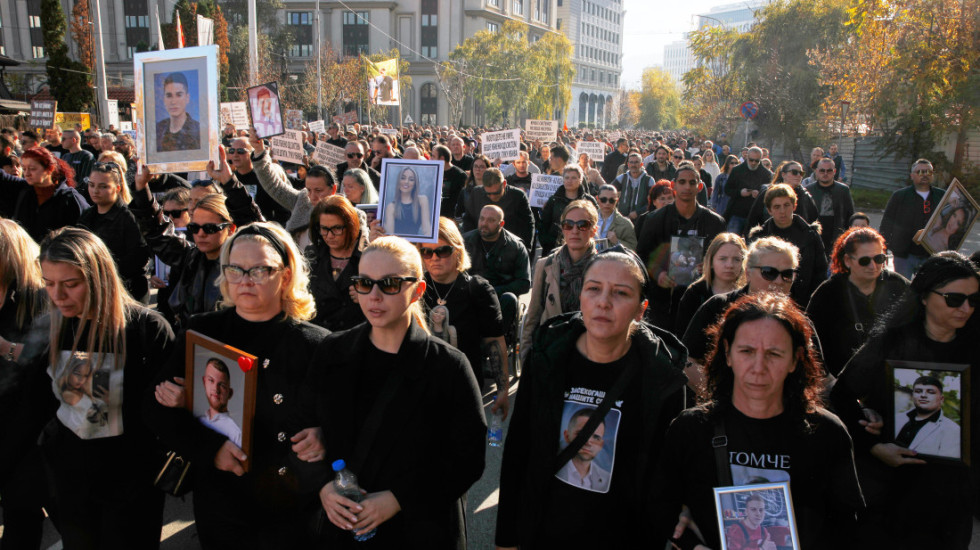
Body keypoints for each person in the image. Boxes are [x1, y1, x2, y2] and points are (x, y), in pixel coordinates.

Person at [146, 222, 329, 549]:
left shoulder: (315, 345)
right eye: (235, 269)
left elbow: (341, 416)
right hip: (224, 501)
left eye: (259, 270)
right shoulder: (201, 332)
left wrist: (323, 435)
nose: (245, 280)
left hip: (292, 504)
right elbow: (157, 410)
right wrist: (209, 449)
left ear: (285, 276)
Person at [496, 250, 689, 549]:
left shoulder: (662, 378)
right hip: (544, 531)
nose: (604, 302)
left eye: (621, 293)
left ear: (641, 309)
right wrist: (506, 537)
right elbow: (519, 450)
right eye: (594, 288)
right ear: (581, 297)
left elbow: (664, 478)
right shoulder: (548, 357)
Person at [306, 236, 486, 548]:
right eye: (364, 283)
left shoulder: (449, 367)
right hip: (344, 528)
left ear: (417, 290)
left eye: (389, 284)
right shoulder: (332, 351)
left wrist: (397, 499)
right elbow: (305, 431)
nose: (374, 295)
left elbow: (468, 457)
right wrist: (323, 486)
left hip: (419, 530)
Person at [655, 293, 863, 550]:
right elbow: (662, 509)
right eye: (747, 351)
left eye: (774, 354)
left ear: (795, 359)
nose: (758, 366)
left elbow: (847, 530)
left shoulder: (827, 434)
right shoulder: (691, 429)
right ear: (728, 354)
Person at [23, 228, 175, 548]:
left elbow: (166, 415)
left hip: (131, 491)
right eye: (48, 283)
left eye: (71, 284)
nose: (58, 296)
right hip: (72, 487)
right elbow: (37, 398)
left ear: (98, 278)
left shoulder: (146, 329)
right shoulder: (52, 322)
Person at [831, 252, 979, 549]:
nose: (965, 308)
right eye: (954, 299)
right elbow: (842, 395)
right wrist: (871, 443)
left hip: (955, 496)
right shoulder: (890, 341)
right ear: (924, 297)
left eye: (974, 300)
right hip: (892, 490)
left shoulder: (975, 346)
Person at [420, 218, 509, 410]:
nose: (434, 258)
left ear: (457, 251)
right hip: (423, 387)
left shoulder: (478, 289)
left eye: (442, 251)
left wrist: (502, 390)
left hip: (464, 387)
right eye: (427, 252)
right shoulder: (417, 288)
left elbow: (494, 341)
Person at [0, 220, 50, 549]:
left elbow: (48, 362)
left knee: (22, 520)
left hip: (25, 430)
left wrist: (6, 349)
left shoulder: (40, 298)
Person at [682, 237, 802, 367]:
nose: (779, 281)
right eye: (769, 272)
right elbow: (687, 360)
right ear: (748, 273)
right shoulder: (717, 307)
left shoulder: (797, 321)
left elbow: (822, 380)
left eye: (787, 274)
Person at [806, 227, 909, 376]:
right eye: (865, 261)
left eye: (879, 259)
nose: (873, 266)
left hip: (889, 379)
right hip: (841, 381)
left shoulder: (898, 285)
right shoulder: (828, 293)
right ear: (848, 260)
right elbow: (810, 341)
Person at [636, 163, 727, 333]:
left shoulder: (714, 223)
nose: (687, 187)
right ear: (673, 185)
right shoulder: (655, 219)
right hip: (662, 301)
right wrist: (658, 273)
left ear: (700, 187)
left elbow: (723, 257)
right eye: (682, 182)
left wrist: (708, 268)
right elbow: (641, 256)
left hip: (701, 301)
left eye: (692, 183)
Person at [521, 200, 599, 362]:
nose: (575, 231)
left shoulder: (604, 269)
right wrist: (527, 360)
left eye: (582, 225)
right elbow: (533, 317)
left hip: (589, 356)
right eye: (568, 225)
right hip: (551, 354)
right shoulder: (546, 265)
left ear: (593, 230)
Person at [77, 161, 152, 303]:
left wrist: (104, 270)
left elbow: (138, 257)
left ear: (117, 188)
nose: (95, 191)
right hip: (95, 289)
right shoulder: (86, 216)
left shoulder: (129, 217)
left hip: (127, 292)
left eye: (103, 186)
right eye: (91, 185)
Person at [747, 184, 827, 307]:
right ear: (769, 210)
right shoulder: (760, 237)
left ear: (794, 206)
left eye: (786, 205)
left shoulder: (810, 235)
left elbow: (820, 271)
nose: (782, 211)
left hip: (803, 301)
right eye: (777, 207)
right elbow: (749, 274)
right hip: (766, 301)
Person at [464, 204, 532, 333]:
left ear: (501, 224)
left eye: (490, 220)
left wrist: (493, 291)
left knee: (509, 299)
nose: (484, 223)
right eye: (482, 219)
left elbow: (524, 283)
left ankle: (499, 339)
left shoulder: (516, 246)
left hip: (500, 295)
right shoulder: (465, 241)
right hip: (471, 292)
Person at [0, 146, 89, 242]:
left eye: (32, 169)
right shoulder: (24, 191)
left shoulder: (70, 198)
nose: (27, 173)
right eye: (24, 169)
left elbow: (84, 236)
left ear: (49, 169)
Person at [307, 196, 367, 331]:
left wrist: (368, 295)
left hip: (353, 339)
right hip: (318, 338)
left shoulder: (367, 258)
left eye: (337, 228)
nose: (329, 235)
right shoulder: (311, 256)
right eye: (324, 229)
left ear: (351, 226)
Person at [880, 159, 945, 278]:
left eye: (929, 172)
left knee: (927, 291)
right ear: (912, 175)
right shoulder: (900, 196)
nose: (925, 175)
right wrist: (882, 249)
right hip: (904, 255)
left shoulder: (942, 196)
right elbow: (887, 223)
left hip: (931, 255)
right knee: (902, 290)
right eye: (920, 172)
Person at [675, 232, 747, 336]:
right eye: (723, 259)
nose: (729, 265)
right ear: (711, 261)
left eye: (736, 259)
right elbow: (682, 334)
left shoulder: (747, 294)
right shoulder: (695, 293)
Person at [460, 167, 535, 252]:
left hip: (509, 248)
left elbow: (528, 224)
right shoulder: (477, 193)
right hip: (481, 247)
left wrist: (526, 249)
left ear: (504, 184)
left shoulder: (518, 196)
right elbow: (468, 219)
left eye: (496, 193)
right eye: (488, 193)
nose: (492, 197)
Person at [539, 165, 598, 257]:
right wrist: (547, 242)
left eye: (573, 178)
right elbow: (544, 224)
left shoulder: (589, 200)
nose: (569, 181)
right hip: (554, 248)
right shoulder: (553, 200)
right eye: (567, 177)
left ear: (580, 180)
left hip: (582, 249)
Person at [895, 376, 960, 458]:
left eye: (931, 392)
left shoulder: (953, 430)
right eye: (918, 391)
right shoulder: (897, 418)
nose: (923, 395)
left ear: (941, 399)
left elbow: (947, 466)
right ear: (913, 396)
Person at [745, 160, 819, 230]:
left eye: (801, 173)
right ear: (783, 174)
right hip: (771, 236)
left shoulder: (805, 195)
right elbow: (753, 219)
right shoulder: (769, 193)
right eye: (794, 172)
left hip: (798, 239)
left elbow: (813, 221)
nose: (798, 175)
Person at [805, 157, 855, 253]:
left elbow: (850, 214)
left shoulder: (843, 190)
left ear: (834, 171)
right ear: (816, 171)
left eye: (829, 170)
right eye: (822, 170)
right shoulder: (808, 190)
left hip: (836, 235)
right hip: (815, 235)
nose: (825, 174)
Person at [555, 408, 611, 491]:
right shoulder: (554, 468)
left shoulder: (607, 479)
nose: (588, 442)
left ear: (601, 444)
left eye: (596, 437)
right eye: (582, 434)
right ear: (567, 436)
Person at [724, 147, 773, 235]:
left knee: (751, 244)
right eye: (751, 160)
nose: (753, 163)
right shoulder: (737, 170)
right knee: (732, 242)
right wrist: (740, 192)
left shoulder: (766, 174)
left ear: (760, 159)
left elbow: (770, 194)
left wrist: (760, 194)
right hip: (737, 213)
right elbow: (727, 190)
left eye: (756, 161)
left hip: (756, 216)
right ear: (746, 157)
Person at [197, 358, 242, 447]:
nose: (216, 389)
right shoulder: (198, 420)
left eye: (222, 385)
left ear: (230, 393)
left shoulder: (234, 433)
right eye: (211, 380)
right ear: (204, 382)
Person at [156, 72, 201, 152]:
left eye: (179, 95)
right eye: (169, 96)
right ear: (164, 99)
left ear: (187, 98)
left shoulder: (198, 131)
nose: (173, 101)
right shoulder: (158, 130)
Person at [383, 166, 432, 237]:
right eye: (403, 178)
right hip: (397, 245)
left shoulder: (422, 200)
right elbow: (390, 235)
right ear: (398, 181)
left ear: (415, 183)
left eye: (411, 179)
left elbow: (427, 230)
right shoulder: (391, 207)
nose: (406, 182)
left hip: (416, 244)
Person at [611, 152, 653, 222]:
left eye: (636, 162)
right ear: (628, 164)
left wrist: (638, 212)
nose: (633, 165)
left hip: (642, 220)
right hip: (623, 219)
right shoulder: (622, 178)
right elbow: (609, 192)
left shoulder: (648, 180)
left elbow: (652, 202)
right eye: (631, 162)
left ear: (641, 164)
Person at [595, 184, 638, 251]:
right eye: (603, 199)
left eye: (611, 200)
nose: (607, 203)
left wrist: (617, 241)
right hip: (590, 259)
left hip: (612, 259)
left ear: (616, 201)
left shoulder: (625, 224)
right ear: (597, 199)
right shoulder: (588, 219)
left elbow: (633, 248)